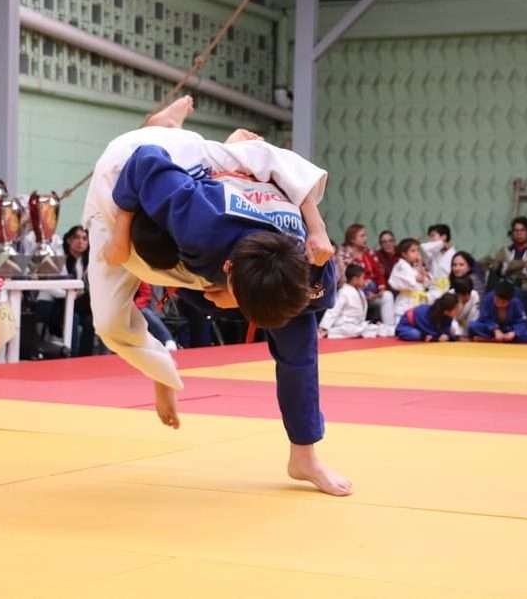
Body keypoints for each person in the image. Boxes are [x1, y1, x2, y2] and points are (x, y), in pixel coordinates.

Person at [84, 96, 351, 496]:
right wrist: (120, 238)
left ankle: (304, 458)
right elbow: (143, 162)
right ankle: (162, 125)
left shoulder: (313, 265)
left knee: (299, 350)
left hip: (214, 169)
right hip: (130, 171)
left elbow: (292, 173)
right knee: (110, 318)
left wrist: (317, 227)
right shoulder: (201, 224)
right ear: (227, 268)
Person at [481, 216, 527, 321]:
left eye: (522, 230)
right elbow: (498, 269)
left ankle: (520, 327)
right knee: (491, 296)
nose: (519, 233)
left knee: (517, 296)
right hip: (505, 287)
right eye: (516, 230)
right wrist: (522, 264)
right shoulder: (504, 251)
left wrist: (508, 267)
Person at [339, 224, 394, 325]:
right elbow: (348, 279)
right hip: (355, 293)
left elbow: (378, 273)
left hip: (374, 294)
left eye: (366, 235)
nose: (366, 238)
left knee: (387, 295)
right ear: (352, 239)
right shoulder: (344, 254)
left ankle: (389, 328)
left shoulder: (369, 252)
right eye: (362, 236)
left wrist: (381, 290)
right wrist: (365, 293)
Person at [319, 264, 392, 339]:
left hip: (357, 324)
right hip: (344, 325)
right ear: (355, 279)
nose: (364, 281)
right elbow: (334, 310)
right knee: (354, 330)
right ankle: (329, 333)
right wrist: (324, 327)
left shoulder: (360, 291)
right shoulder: (344, 292)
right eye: (362, 278)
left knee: (374, 328)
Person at [62, 225, 97, 356]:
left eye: (84, 238)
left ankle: (85, 358)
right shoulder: (62, 260)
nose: (80, 242)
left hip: (83, 304)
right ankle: (72, 354)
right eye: (76, 237)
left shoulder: (90, 262)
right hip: (62, 303)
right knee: (74, 317)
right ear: (69, 240)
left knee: (90, 320)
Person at [388, 238, 430, 320]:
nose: (417, 253)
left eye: (417, 250)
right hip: (405, 305)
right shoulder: (400, 266)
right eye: (413, 251)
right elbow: (397, 282)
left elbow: (426, 282)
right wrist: (415, 278)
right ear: (404, 254)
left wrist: (420, 265)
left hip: (417, 303)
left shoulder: (415, 266)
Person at [395, 293, 461, 343]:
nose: (458, 310)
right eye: (456, 308)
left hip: (421, 327)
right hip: (407, 325)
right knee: (415, 334)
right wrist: (437, 338)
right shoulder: (428, 314)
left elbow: (445, 330)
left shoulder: (448, 316)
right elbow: (431, 332)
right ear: (446, 311)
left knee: (450, 332)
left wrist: (448, 335)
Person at [135, 282, 178, 350]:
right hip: (149, 307)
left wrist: (161, 303)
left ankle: (171, 342)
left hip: (161, 308)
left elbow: (173, 289)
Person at [420, 223, 455, 295]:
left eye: (433, 236)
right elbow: (423, 247)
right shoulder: (433, 254)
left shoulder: (454, 255)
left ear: (444, 237)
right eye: (430, 237)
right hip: (432, 290)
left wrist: (441, 243)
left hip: (449, 292)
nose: (430, 240)